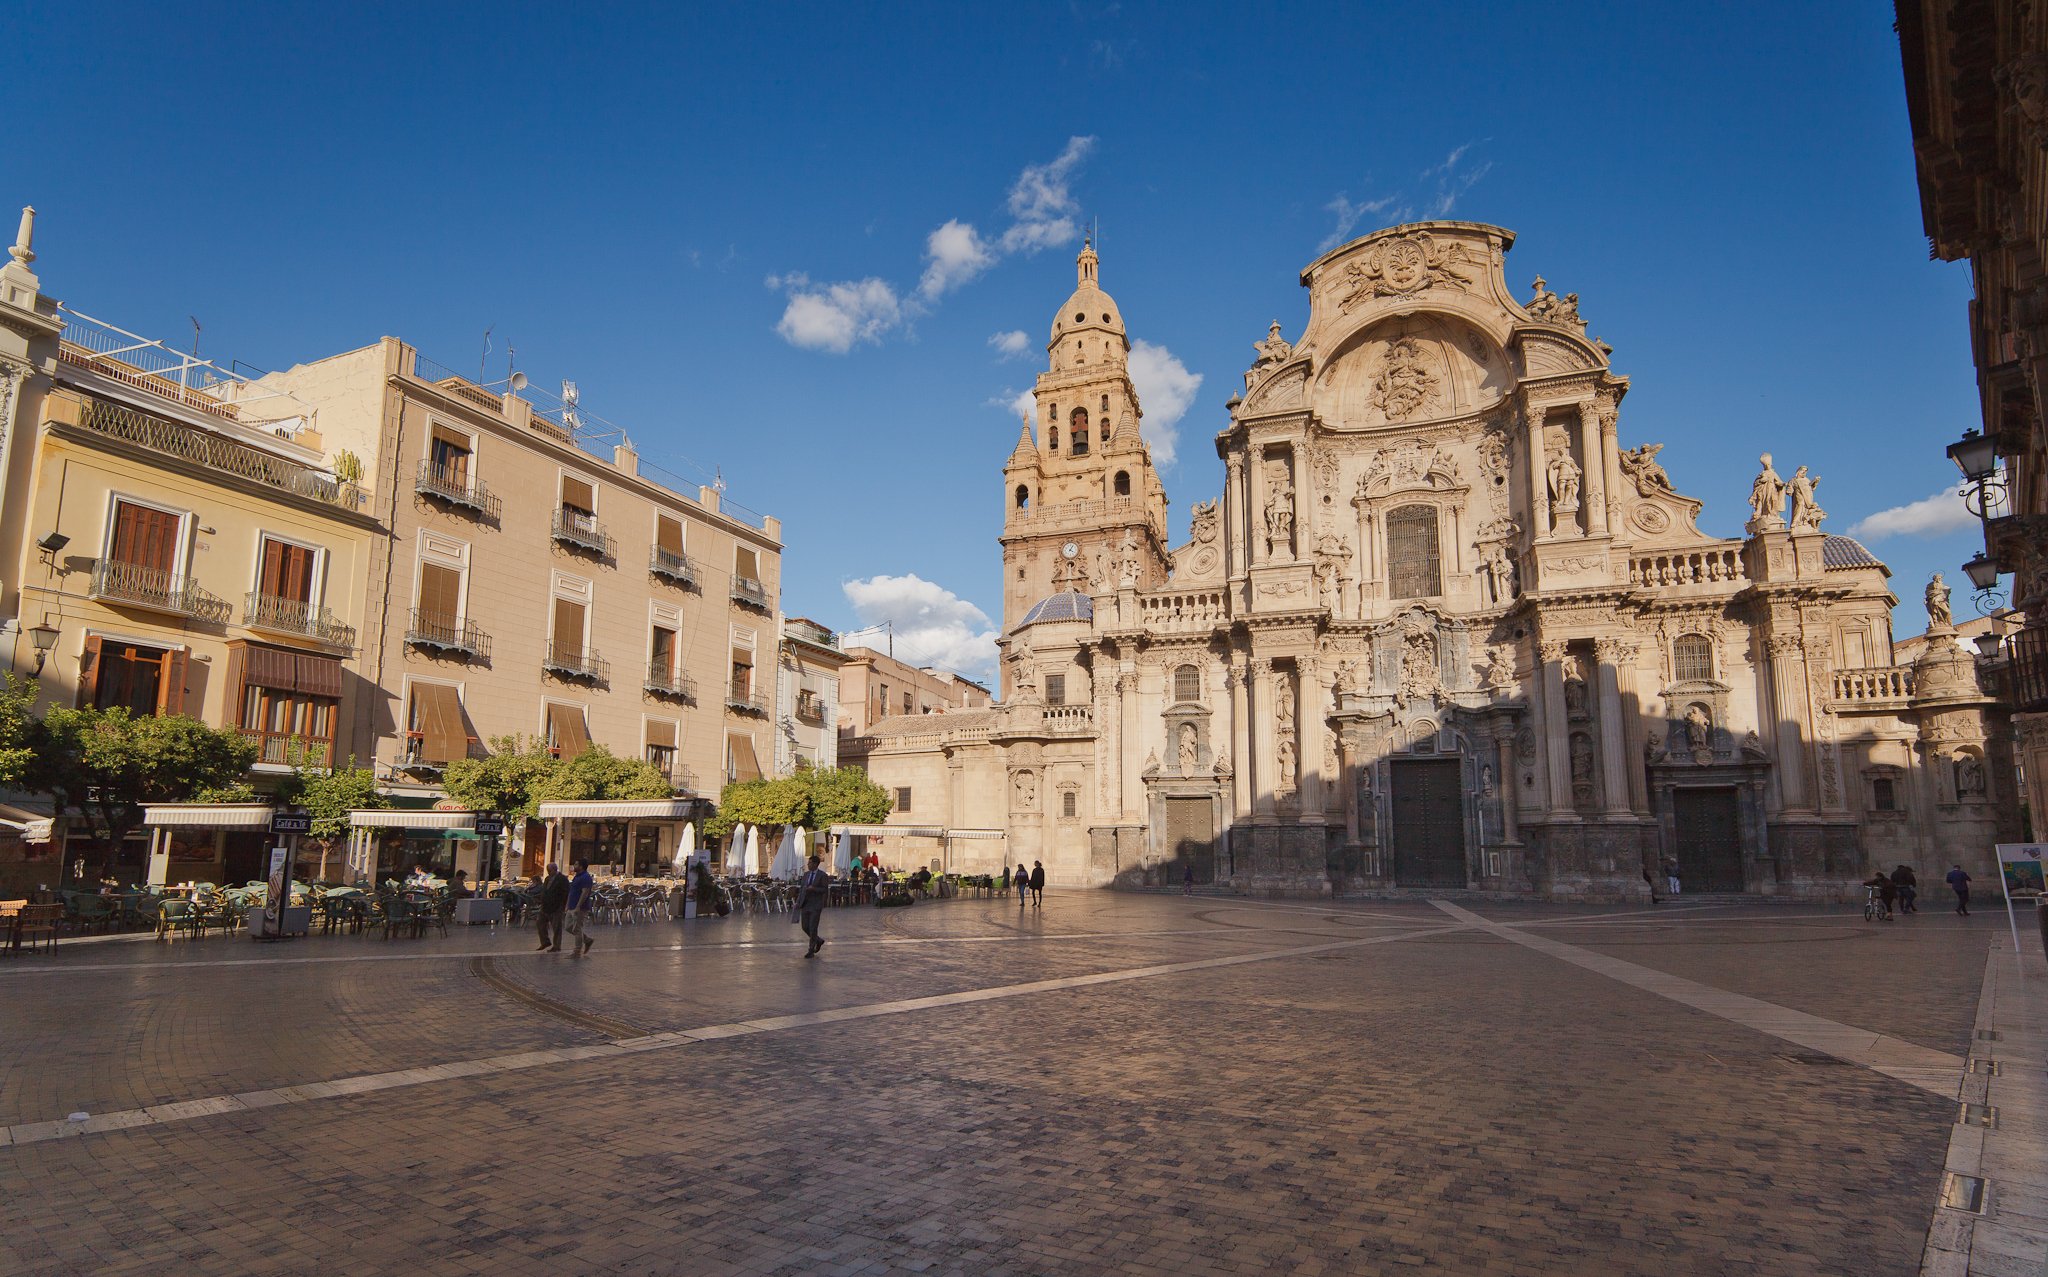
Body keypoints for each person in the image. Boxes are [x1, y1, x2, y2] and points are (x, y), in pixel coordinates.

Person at [796, 854, 830, 958]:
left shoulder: (822, 875)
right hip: (805, 903)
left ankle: (811, 950)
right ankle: (818, 940)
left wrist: (814, 889)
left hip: (815, 904)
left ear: (815, 864)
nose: (808, 865)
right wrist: (798, 902)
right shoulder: (806, 875)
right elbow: (802, 889)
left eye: (810, 863)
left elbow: (824, 889)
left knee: (813, 927)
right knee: (805, 926)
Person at [566, 859, 596, 955]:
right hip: (571, 905)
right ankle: (587, 940)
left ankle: (577, 950)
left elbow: (585, 893)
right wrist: (567, 904)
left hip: (580, 907)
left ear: (581, 866)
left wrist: (578, 906)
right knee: (568, 927)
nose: (573, 866)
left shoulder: (586, 877)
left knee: (577, 928)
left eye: (576, 864)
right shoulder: (576, 876)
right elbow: (572, 891)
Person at [537, 862, 568, 952]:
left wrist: (563, 905)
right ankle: (545, 941)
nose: (548, 872)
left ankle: (557, 945)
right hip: (545, 906)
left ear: (555, 869)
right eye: (548, 870)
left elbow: (566, 892)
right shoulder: (547, 879)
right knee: (540, 922)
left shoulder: (562, 879)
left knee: (556, 926)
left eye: (550, 870)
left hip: (556, 906)